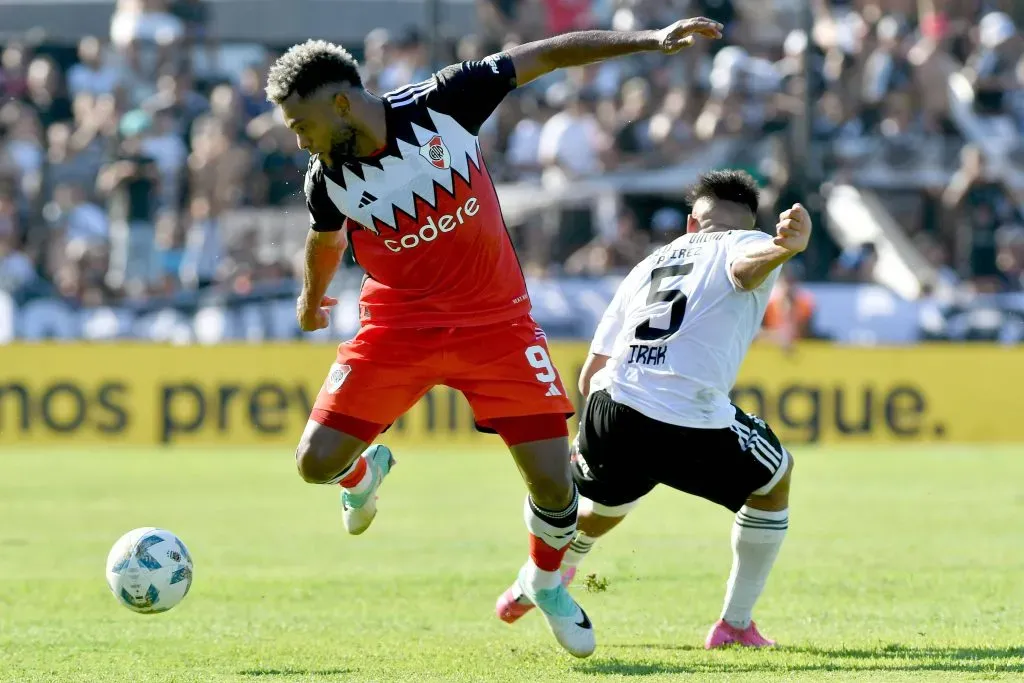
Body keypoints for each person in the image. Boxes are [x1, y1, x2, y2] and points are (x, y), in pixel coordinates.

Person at [263, 17, 724, 658]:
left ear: (341, 104)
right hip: (398, 328)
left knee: (558, 489)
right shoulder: (327, 179)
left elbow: (551, 53)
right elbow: (324, 241)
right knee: (315, 464)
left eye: (301, 125)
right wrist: (312, 300)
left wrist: (649, 41)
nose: (300, 142)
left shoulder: (444, 102)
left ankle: (546, 584)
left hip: (496, 326)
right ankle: (364, 471)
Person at [496, 171, 807, 649]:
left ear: (690, 224)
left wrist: (597, 436)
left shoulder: (649, 264)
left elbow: (590, 372)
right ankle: (735, 625)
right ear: (749, 220)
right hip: (685, 415)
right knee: (773, 480)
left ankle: (538, 577)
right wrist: (782, 248)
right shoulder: (750, 241)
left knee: (608, 504)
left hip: (610, 404)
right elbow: (743, 270)